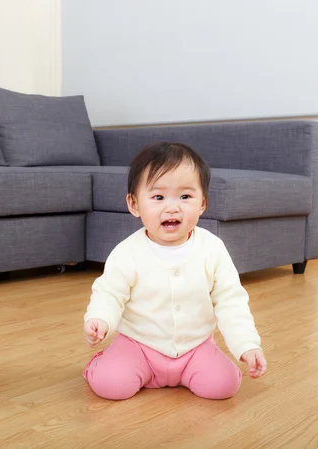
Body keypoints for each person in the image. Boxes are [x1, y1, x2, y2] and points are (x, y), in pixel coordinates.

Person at [82, 142, 267, 401]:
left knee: (224, 386)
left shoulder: (211, 248)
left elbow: (230, 300)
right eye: (158, 197)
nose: (172, 207)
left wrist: (247, 344)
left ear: (203, 203)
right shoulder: (127, 252)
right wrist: (100, 319)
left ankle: (185, 372)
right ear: (134, 204)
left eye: (185, 197)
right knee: (111, 385)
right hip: (138, 346)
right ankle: (101, 364)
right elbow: (109, 292)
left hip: (195, 347)